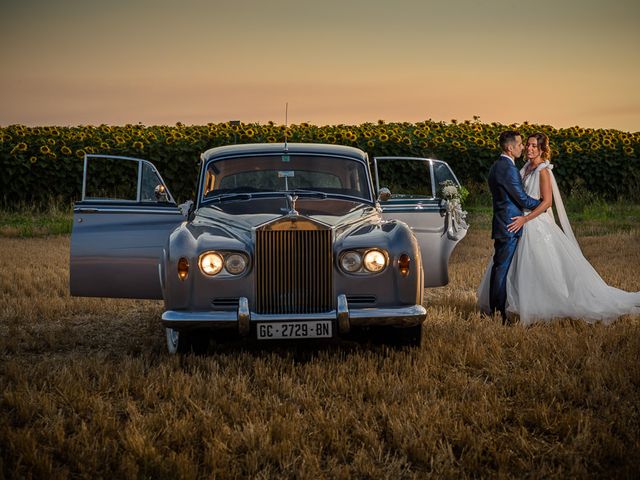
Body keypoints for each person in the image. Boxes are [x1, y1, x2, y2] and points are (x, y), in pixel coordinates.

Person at [478, 132, 640, 324]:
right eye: (526, 145)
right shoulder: (524, 168)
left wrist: (526, 218)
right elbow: (518, 195)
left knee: (540, 267)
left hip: (533, 222)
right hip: (519, 222)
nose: (528, 149)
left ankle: (543, 305)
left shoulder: (543, 171)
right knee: (516, 267)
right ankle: (509, 306)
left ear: (541, 149)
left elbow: (546, 203)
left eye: (533, 146)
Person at [484, 131, 541, 323]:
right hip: (510, 224)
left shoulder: (495, 167)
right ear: (510, 148)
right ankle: (498, 312)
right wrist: (542, 203)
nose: (523, 147)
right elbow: (522, 198)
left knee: (501, 267)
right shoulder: (508, 169)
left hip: (501, 221)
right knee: (502, 268)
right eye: (519, 144)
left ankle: (497, 309)